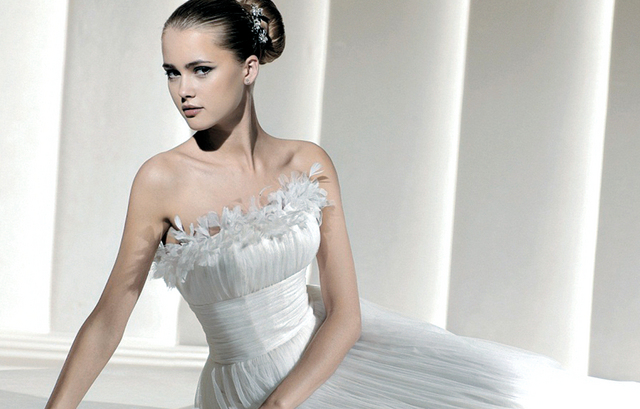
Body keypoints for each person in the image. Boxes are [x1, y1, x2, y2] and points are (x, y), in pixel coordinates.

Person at [46, 1, 639, 408]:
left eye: (201, 70)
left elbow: (345, 314)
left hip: (323, 365)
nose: (184, 91)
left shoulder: (307, 162)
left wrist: (283, 403)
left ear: (248, 69)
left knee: (514, 391)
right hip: (237, 391)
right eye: (172, 73)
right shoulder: (162, 179)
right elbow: (109, 317)